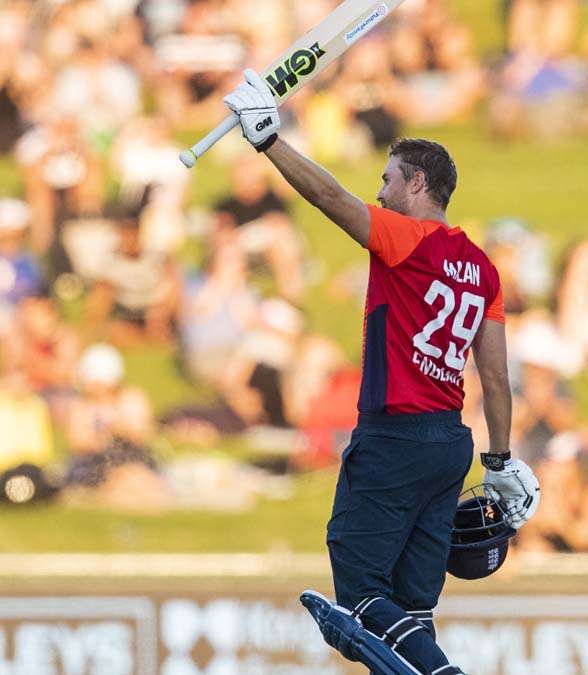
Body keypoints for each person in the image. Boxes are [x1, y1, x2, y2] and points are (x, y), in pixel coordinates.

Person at [219, 70, 540, 674]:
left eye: (388, 179)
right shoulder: (484, 268)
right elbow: (495, 381)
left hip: (395, 436)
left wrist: (268, 140)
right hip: (451, 443)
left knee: (361, 592)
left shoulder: (407, 239)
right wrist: (499, 459)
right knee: (412, 610)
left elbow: (330, 199)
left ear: (418, 182)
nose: (381, 191)